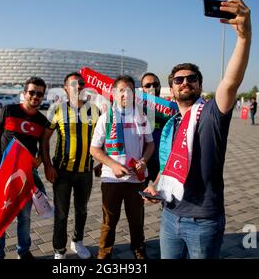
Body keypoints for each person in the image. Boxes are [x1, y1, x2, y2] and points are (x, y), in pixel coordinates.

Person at [143, 0, 252, 259]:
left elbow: (230, 83)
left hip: (202, 221)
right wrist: (154, 187)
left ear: (200, 85)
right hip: (170, 215)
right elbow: (170, 164)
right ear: (172, 87)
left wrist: (244, 37)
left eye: (192, 79)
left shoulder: (211, 114)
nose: (185, 83)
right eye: (179, 80)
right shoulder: (172, 123)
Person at [0, 77, 49, 259]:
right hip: (0, 174)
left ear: (43, 97)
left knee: (25, 218)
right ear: (24, 93)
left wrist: (39, 160)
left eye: (39, 94)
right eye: (32, 92)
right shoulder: (8, 111)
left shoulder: (42, 121)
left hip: (25, 177)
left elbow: (43, 148)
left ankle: (24, 251)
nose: (35, 96)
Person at [90, 75, 155, 259]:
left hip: (136, 179)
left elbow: (150, 144)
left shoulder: (141, 117)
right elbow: (94, 149)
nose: (126, 94)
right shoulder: (105, 118)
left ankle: (139, 249)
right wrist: (113, 165)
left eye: (130, 91)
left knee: (136, 220)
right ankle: (104, 253)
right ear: (113, 93)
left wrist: (144, 160)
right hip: (112, 179)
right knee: (109, 221)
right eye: (122, 90)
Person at [42, 72, 100, 259]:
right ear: (65, 88)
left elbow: (103, 137)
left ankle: (78, 241)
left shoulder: (95, 110)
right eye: (73, 84)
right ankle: (59, 249)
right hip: (61, 172)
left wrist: (102, 161)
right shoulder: (56, 109)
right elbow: (44, 140)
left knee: (82, 210)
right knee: (61, 213)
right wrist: (47, 165)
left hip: (85, 171)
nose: (78, 87)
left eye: (81, 83)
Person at [140, 72, 169, 185]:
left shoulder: (170, 108)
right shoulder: (134, 109)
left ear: (160, 87)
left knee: (168, 199)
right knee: (137, 200)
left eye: (155, 84)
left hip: (163, 163)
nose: (152, 88)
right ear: (142, 89)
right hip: (142, 162)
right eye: (147, 85)